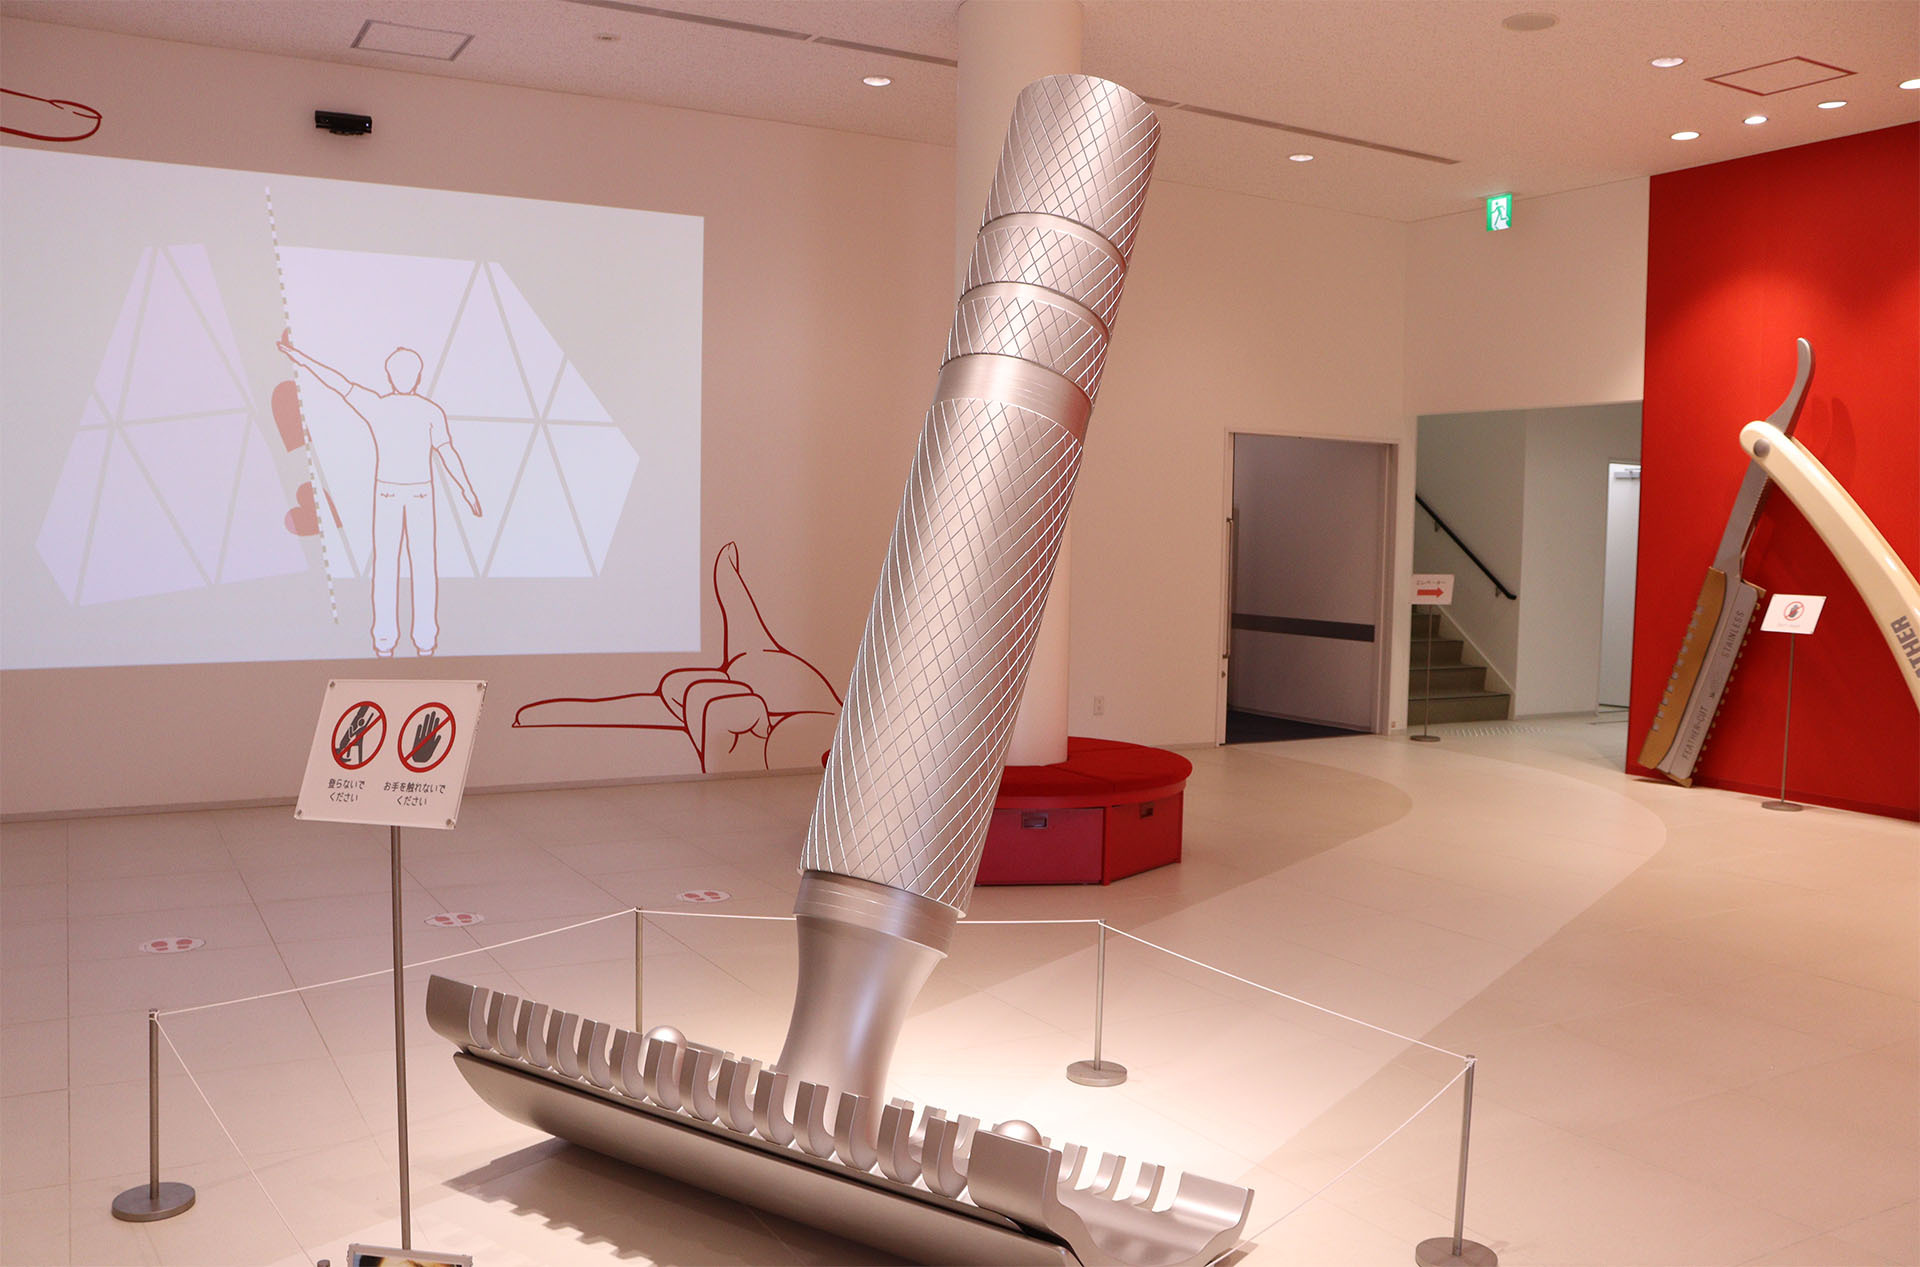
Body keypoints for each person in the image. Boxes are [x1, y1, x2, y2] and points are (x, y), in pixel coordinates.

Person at [276, 335, 482, 657]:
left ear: (390, 376)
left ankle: (384, 642)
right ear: (418, 376)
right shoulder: (430, 411)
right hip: (419, 494)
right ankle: (425, 642)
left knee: (386, 566)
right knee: (423, 565)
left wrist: (299, 357)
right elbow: (448, 453)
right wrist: (466, 490)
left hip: (388, 493)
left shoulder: (378, 406)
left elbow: (337, 383)